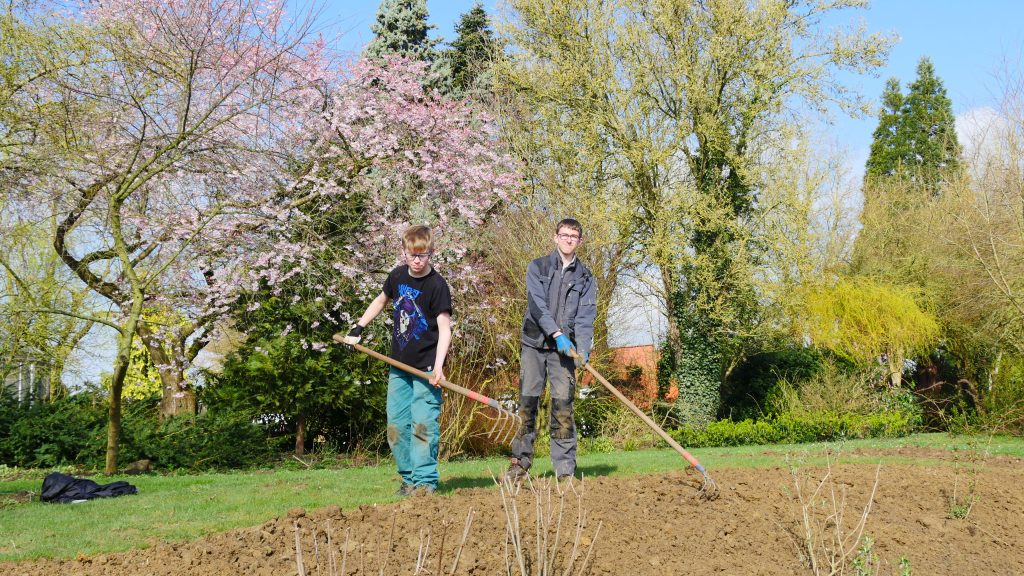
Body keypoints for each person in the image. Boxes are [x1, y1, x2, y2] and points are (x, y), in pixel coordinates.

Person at [341, 225, 452, 496]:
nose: (417, 260)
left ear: (431, 253)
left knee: (423, 426)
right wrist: (358, 327)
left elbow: (445, 328)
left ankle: (425, 482)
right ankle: (408, 479)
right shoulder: (397, 276)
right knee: (395, 427)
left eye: (422, 255)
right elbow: (381, 301)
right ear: (403, 253)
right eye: (411, 255)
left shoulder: (437, 286)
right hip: (398, 368)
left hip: (426, 370)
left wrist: (438, 367)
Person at [507, 218, 597, 482]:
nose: (568, 239)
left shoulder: (586, 277)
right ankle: (519, 464)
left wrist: (582, 347)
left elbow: (585, 316)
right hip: (534, 344)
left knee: (563, 407)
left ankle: (565, 470)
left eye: (574, 236)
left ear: (579, 241)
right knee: (527, 404)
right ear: (555, 237)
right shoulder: (538, 267)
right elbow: (537, 307)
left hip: (565, 353)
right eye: (564, 234)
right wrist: (556, 334)